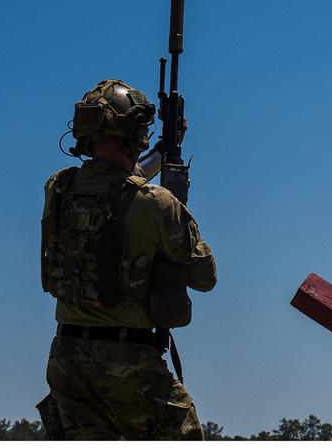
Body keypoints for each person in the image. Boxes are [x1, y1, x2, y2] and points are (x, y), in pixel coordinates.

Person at [37, 79, 217, 440]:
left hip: (65, 360)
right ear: (134, 132)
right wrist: (176, 202)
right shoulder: (158, 204)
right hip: (126, 363)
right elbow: (204, 276)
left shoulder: (58, 188)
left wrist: (164, 153)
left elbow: (113, 185)